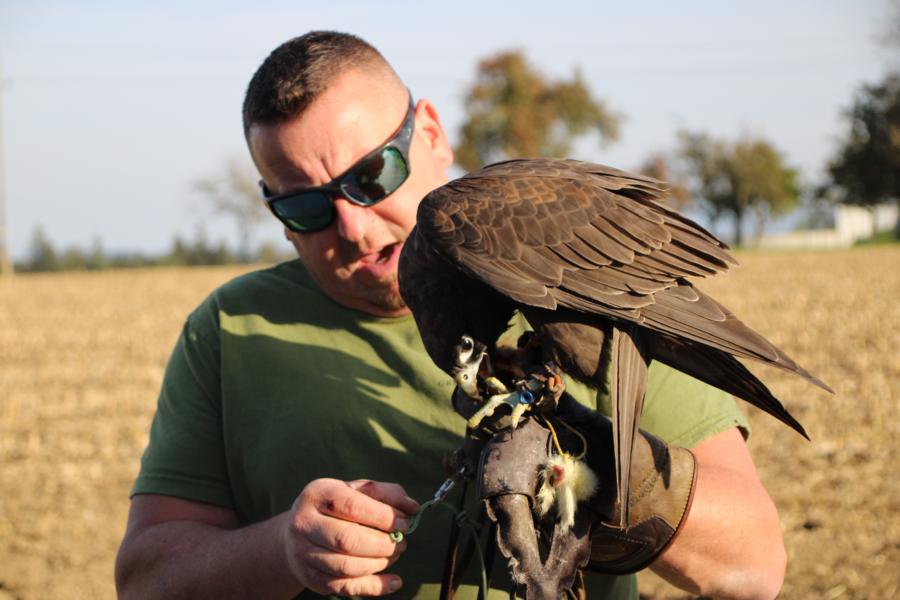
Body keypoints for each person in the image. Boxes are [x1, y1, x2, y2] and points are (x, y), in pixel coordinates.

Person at [115, 31, 787, 599]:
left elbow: (756, 565)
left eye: (371, 175)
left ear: (430, 133)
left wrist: (609, 475)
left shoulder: (545, 253)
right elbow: (144, 578)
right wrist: (284, 549)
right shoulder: (233, 330)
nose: (351, 225)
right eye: (305, 207)